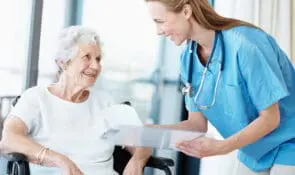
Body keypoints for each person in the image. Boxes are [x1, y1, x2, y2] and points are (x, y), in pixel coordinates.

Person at [144, 0, 295, 174]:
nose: (158, 31)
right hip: (253, 149)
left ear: (186, 11)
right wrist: (149, 132)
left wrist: (221, 147)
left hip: (289, 142)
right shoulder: (188, 58)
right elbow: (197, 124)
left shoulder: (246, 45)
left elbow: (271, 118)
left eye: (160, 21)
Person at [0, 26, 151, 175]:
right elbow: (9, 139)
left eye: (98, 59)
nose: (96, 66)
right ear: (63, 63)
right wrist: (59, 159)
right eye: (87, 57)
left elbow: (142, 141)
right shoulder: (36, 98)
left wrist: (137, 161)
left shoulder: (105, 101)